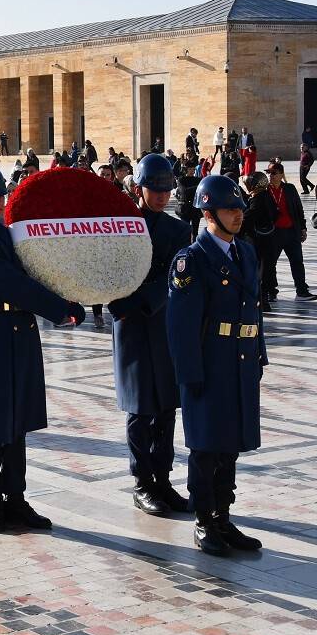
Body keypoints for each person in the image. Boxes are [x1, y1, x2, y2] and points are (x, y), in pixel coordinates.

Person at [0, 162, 85, 533]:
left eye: (2, 194)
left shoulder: (9, 233)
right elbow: (15, 284)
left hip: (19, 331)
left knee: (17, 421)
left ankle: (16, 496)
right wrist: (61, 308)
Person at [167, 174, 267, 555]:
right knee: (207, 446)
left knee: (230, 445)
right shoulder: (190, 261)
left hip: (239, 362)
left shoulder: (245, 252)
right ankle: (205, 521)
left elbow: (254, 310)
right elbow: (181, 326)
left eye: (240, 207)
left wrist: (259, 354)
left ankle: (224, 517)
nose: (238, 214)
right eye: (230, 209)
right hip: (209, 364)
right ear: (208, 213)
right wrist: (189, 375)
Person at [108, 155, 193, 515]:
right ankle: (143, 481)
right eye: (155, 188)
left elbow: (177, 275)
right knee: (140, 409)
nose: (161, 195)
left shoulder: (177, 230)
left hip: (162, 323)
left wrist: (146, 299)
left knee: (167, 410)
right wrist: (122, 302)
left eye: (166, 189)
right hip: (131, 326)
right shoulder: (122, 226)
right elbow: (107, 272)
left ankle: (163, 478)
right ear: (139, 187)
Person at [263, 162, 317, 301]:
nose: (270, 176)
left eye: (274, 173)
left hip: (291, 231)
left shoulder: (289, 189)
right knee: (270, 263)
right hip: (273, 233)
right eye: (268, 173)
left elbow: (298, 209)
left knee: (297, 261)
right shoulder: (264, 190)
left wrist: (303, 228)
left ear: (281, 174)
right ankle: (271, 291)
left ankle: (301, 291)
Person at [240, 171, 277, 309]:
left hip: (258, 241)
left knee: (259, 271)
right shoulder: (267, 196)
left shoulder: (258, 199)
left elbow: (249, 218)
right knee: (266, 269)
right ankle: (264, 298)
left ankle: (262, 300)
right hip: (268, 238)